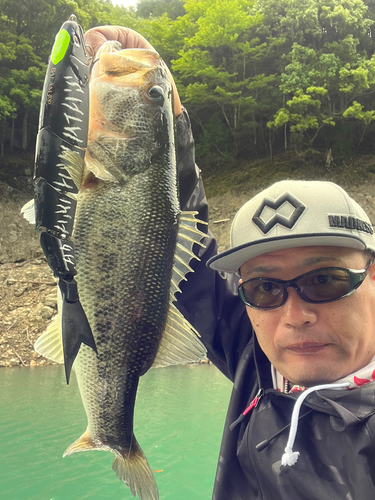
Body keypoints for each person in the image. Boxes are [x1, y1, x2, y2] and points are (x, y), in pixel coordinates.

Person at [85, 27, 375, 500]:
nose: (294, 314)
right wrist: (162, 115)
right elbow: (181, 253)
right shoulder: (256, 358)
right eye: (263, 288)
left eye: (324, 280)